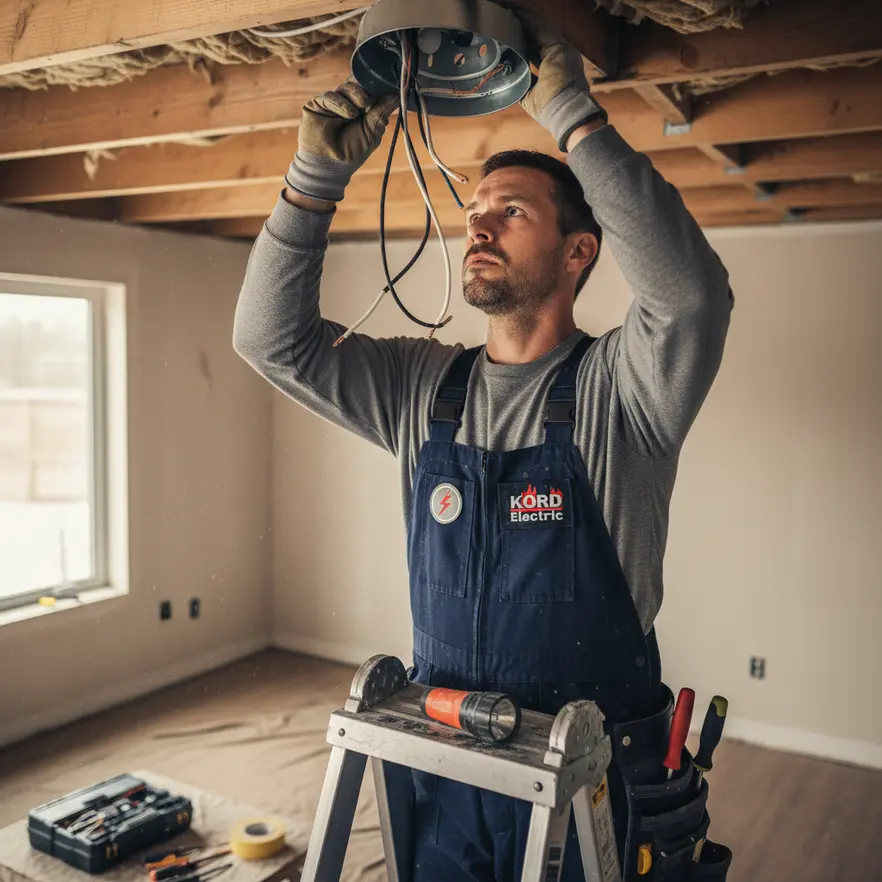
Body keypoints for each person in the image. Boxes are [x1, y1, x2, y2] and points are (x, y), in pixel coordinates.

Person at [234, 18, 733, 882]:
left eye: (512, 211)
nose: (480, 228)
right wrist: (316, 177)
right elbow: (270, 342)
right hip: (447, 761)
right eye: (474, 212)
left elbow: (692, 296)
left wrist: (572, 113)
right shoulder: (423, 388)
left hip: (592, 780)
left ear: (580, 252)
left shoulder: (625, 392)